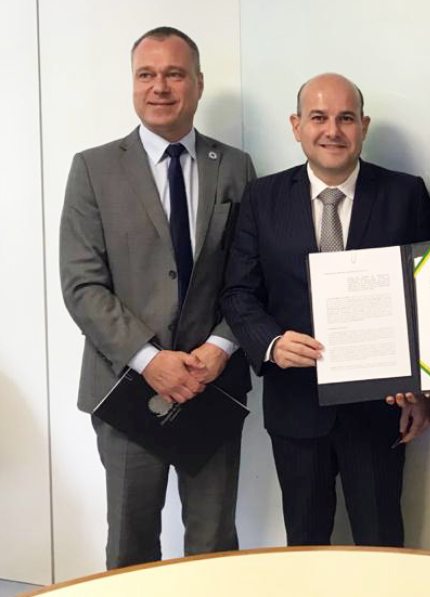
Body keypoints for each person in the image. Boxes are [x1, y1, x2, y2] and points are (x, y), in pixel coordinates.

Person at [59, 26, 256, 569]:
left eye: (174, 74)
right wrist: (150, 360)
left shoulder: (234, 167)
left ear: (198, 83)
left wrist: (220, 347)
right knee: (131, 546)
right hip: (125, 389)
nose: (160, 87)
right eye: (146, 74)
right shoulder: (93, 169)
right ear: (132, 82)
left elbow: (251, 272)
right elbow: (82, 284)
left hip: (212, 383)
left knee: (214, 547)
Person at [221, 73, 430, 547]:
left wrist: (424, 389)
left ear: (364, 125)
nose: (332, 131)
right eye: (318, 117)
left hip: (381, 408)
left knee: (382, 546)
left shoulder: (405, 194)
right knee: (305, 546)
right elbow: (238, 292)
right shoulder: (262, 198)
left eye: (346, 118)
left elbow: (429, 297)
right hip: (295, 406)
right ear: (296, 125)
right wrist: (272, 344)